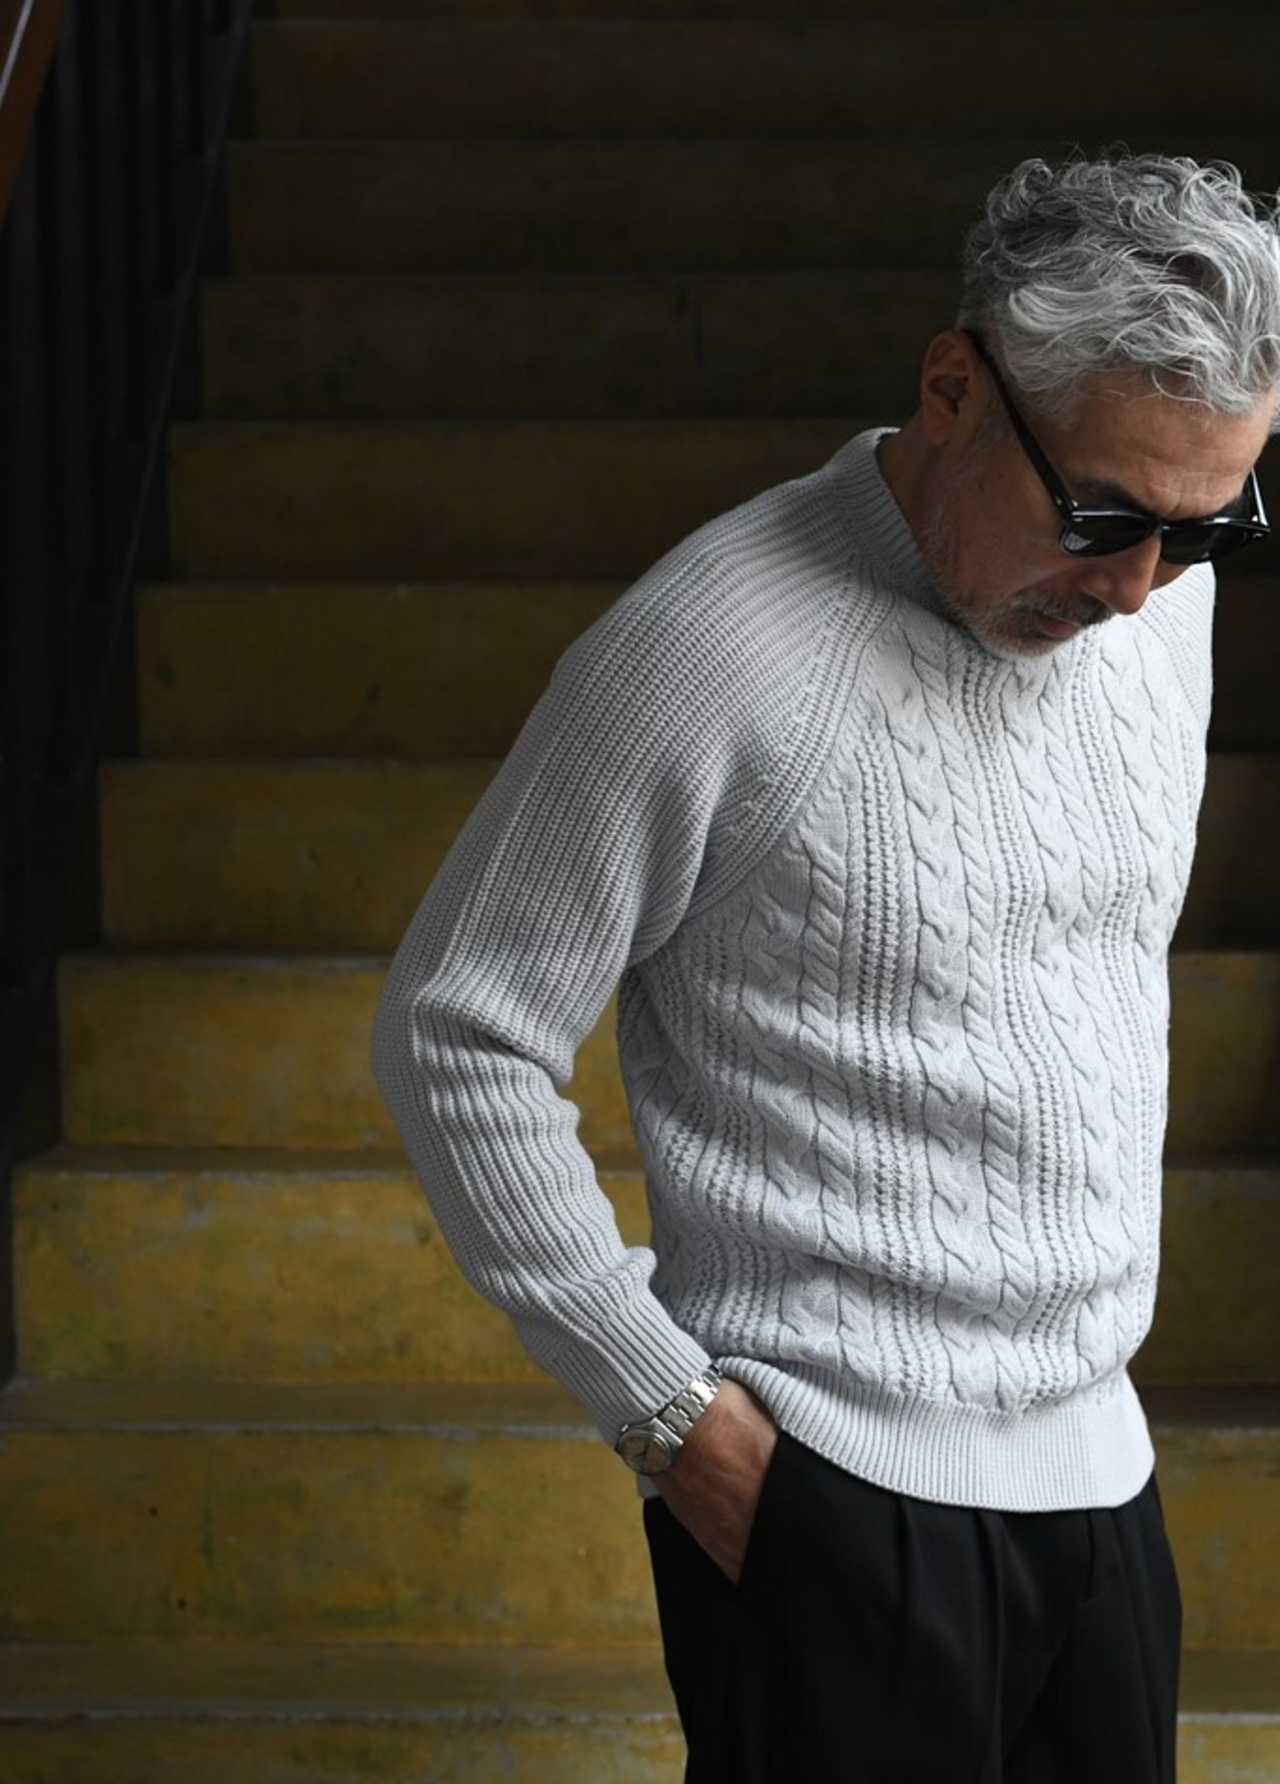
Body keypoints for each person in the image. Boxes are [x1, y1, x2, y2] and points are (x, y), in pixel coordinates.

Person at [372, 152, 1280, 1782]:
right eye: (1101, 515)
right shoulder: (708, 648)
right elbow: (457, 1031)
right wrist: (674, 1422)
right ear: (954, 388)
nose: (1137, 585)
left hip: (1102, 1477)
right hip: (825, 1492)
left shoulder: (1156, 610)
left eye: (1202, 528)